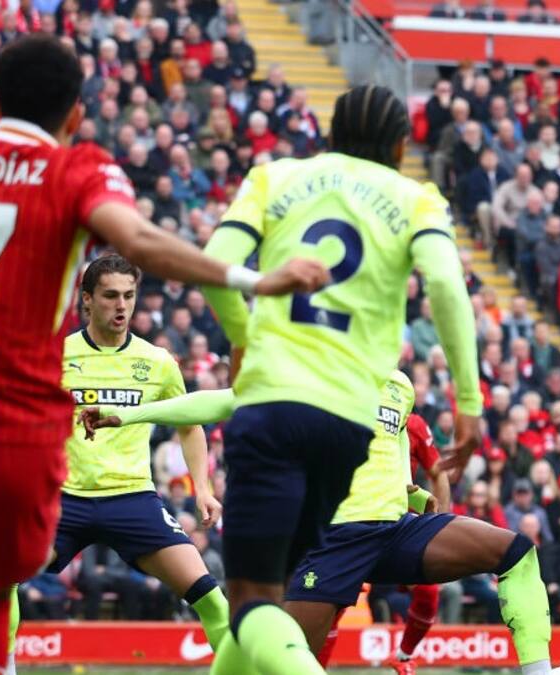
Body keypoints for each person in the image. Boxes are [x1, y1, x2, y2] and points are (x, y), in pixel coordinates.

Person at [0, 35, 327, 675]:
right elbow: (138, 238)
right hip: (21, 442)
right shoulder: (75, 170)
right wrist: (252, 279)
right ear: (76, 115)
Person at [197, 84, 483, 674]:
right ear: (401, 148)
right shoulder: (416, 198)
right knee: (268, 599)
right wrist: (469, 399)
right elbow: (447, 287)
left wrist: (243, 336)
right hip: (348, 423)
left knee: (252, 602)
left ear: (329, 136)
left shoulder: (273, 178)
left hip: (273, 404)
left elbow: (215, 264)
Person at [81, 370, 551, 675]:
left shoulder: (400, 385)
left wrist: (416, 495)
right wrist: (128, 415)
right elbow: (219, 402)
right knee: (276, 660)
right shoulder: (310, 371)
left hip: (394, 531)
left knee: (515, 552)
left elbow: (387, 457)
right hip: (333, 541)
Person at [3, 255, 229, 672]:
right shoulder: (55, 355)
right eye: (110, 296)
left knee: (211, 598)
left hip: (132, 498)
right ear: (87, 300)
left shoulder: (157, 361)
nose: (121, 305)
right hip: (64, 499)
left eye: (129, 295)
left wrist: (203, 488)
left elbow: (190, 425)